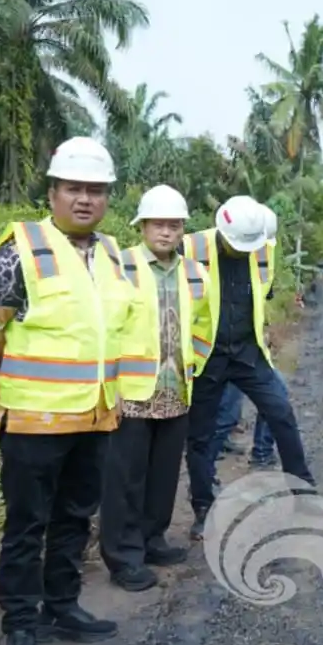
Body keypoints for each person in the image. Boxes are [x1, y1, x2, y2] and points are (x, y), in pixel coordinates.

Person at [0, 136, 137, 645]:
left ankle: (62, 605)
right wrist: (11, 380)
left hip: (94, 416)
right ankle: (21, 625)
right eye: (73, 189)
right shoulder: (22, 246)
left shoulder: (112, 254)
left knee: (73, 519)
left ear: (107, 197)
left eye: (95, 190)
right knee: (25, 526)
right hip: (34, 420)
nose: (84, 199)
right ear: (53, 192)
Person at [180, 195, 320, 541]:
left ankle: (302, 491)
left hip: (248, 353)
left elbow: (262, 296)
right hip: (206, 356)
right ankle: (203, 507)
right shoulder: (191, 246)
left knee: (281, 412)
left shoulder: (263, 249)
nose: (243, 251)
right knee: (200, 435)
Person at [99, 184, 213, 592]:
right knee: (126, 478)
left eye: (173, 224)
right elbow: (105, 327)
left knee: (163, 475)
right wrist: (107, 385)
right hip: (130, 392)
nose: (165, 231)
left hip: (176, 390)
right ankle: (123, 556)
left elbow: (203, 326)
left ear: (183, 228)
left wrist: (191, 367)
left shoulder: (196, 273)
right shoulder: (120, 266)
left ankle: (152, 538)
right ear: (143, 225)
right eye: (158, 223)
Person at [208, 203, 282, 476]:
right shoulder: (211, 257)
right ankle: (204, 477)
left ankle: (261, 453)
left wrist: (264, 332)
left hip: (250, 350)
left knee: (275, 399)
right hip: (220, 352)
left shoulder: (261, 258)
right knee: (225, 415)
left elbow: (261, 302)